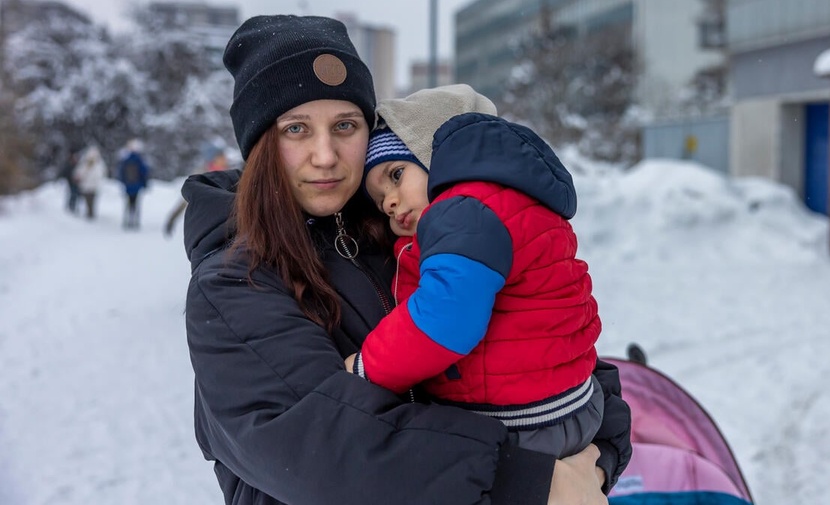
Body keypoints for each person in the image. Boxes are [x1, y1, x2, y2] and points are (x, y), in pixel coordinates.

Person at [181, 14, 630, 505]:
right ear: (262, 145)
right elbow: (324, 450)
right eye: (296, 129)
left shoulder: (403, 229)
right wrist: (534, 482)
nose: (326, 155)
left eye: (345, 125)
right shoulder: (233, 280)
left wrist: (597, 460)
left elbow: (554, 339)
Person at [348, 84, 609, 463]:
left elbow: (444, 319)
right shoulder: (509, 200)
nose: (389, 201)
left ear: (433, 154)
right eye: (378, 200)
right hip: (570, 403)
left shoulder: (464, 211)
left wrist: (365, 367)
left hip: (523, 423)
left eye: (396, 174)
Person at [163, 146, 229, 237]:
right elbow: (184, 202)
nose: (225, 159)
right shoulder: (201, 175)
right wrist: (171, 221)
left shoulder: (229, 173)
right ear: (213, 159)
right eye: (221, 156)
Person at [116, 138, 150, 229]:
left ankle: (126, 220)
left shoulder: (126, 159)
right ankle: (135, 221)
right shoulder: (140, 160)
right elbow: (144, 172)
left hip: (128, 186)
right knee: (136, 204)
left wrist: (123, 182)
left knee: (128, 203)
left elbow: (121, 172)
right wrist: (144, 184)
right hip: (137, 186)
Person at [73, 145, 106, 220]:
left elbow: (100, 175)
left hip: (93, 187)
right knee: (87, 200)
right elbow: (79, 173)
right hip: (86, 186)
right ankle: (89, 213)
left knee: (92, 201)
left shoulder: (99, 165)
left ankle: (91, 213)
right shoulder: (84, 164)